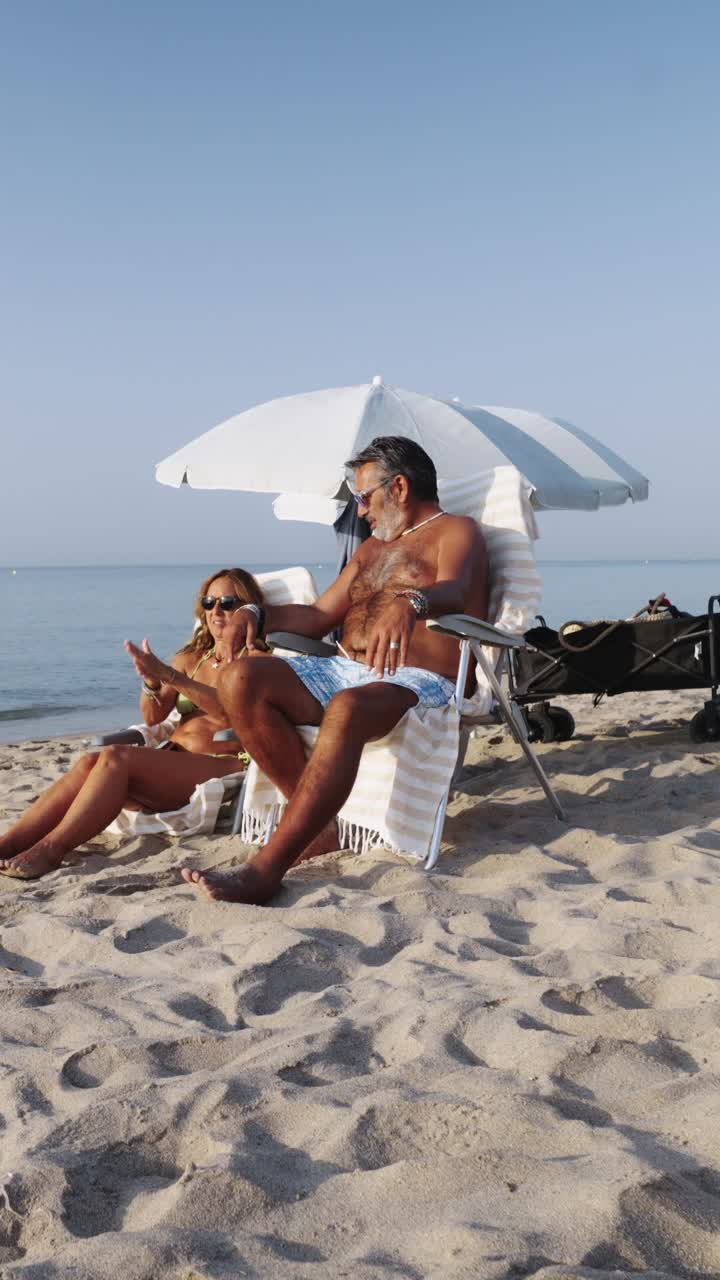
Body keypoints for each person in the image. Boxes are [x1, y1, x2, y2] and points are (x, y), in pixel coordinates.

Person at [181, 436, 489, 906]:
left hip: (421, 678)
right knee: (238, 678)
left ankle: (267, 869)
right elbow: (318, 615)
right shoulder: (369, 552)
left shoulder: (457, 531)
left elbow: (457, 588)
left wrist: (412, 602)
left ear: (400, 487)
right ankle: (320, 827)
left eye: (364, 497)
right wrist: (256, 615)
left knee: (347, 708)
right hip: (346, 669)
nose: (361, 511)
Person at [0, 568, 268, 881]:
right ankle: (10, 843)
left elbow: (230, 714)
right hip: (172, 759)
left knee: (117, 756)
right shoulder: (192, 659)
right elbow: (153, 717)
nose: (217, 610)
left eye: (228, 602)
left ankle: (51, 849)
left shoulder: (256, 659)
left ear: (247, 609)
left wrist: (171, 676)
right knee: (90, 761)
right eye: (209, 602)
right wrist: (152, 684)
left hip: (223, 764)